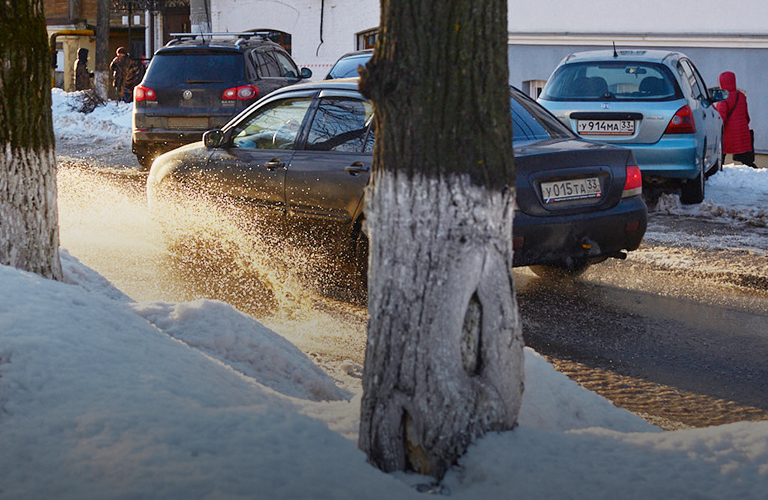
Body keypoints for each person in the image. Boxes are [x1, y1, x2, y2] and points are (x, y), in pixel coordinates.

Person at [716, 71, 757, 168]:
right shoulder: (741, 96)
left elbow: (721, 118)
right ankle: (755, 172)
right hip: (742, 130)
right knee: (745, 158)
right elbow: (746, 116)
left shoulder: (723, 98)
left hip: (729, 132)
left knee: (721, 154)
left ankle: (718, 171)